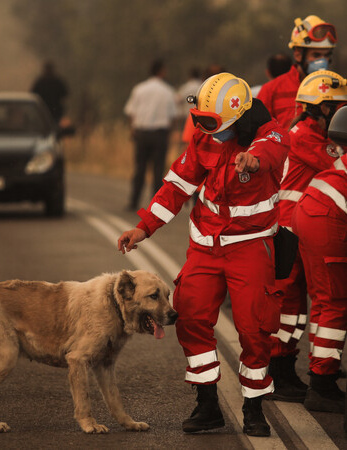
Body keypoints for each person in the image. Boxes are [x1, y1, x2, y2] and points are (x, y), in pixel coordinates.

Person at [118, 73, 290, 437]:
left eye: (211, 123)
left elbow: (270, 153)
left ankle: (254, 406)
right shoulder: (204, 137)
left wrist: (253, 162)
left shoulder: (269, 136)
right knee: (190, 316)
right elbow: (177, 186)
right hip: (205, 246)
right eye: (199, 121)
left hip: (250, 247)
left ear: (239, 117)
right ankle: (207, 404)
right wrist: (144, 227)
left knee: (253, 328)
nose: (204, 129)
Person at [269, 70, 347, 404]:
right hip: (290, 226)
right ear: (320, 107)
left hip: (299, 224)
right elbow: (337, 159)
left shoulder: (310, 131)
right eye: (337, 105)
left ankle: (285, 368)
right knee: (289, 303)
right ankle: (278, 370)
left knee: (298, 305)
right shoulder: (305, 135)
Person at [292, 144, 346, 413]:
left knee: (324, 301)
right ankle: (322, 385)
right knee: (335, 302)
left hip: (309, 209)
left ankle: (321, 368)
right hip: (327, 215)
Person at [258, 15, 337, 129]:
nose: (323, 61)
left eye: (326, 55)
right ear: (298, 54)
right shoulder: (271, 91)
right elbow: (260, 136)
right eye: (316, 55)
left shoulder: (337, 90)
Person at [123, 59, 177, 211]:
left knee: (139, 168)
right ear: (161, 71)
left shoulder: (139, 89)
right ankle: (156, 205)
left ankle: (134, 201)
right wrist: (170, 134)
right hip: (160, 134)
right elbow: (173, 116)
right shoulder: (168, 91)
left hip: (141, 133)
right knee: (158, 169)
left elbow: (131, 112)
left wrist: (132, 129)